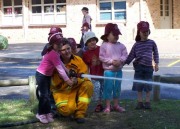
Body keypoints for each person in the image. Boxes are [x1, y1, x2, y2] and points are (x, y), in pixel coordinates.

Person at [50, 38, 94, 123]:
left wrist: (76, 80)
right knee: (67, 111)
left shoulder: (78, 60)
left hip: (75, 87)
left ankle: (80, 114)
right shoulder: (55, 63)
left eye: (68, 48)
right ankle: (62, 109)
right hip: (61, 91)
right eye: (63, 50)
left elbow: (85, 76)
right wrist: (68, 82)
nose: (67, 52)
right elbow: (54, 84)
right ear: (59, 51)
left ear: (71, 48)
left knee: (88, 85)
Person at [35, 33, 73, 124]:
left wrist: (67, 70)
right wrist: (67, 80)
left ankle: (47, 112)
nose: (60, 45)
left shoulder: (56, 52)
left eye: (61, 43)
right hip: (41, 75)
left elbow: (60, 63)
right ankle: (40, 113)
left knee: (48, 94)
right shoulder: (52, 54)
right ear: (52, 44)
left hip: (47, 75)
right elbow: (59, 69)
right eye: (58, 44)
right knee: (44, 95)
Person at [125, 21, 159, 110]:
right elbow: (131, 55)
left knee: (148, 85)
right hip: (139, 68)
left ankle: (147, 102)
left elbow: (156, 53)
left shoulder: (152, 43)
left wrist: (156, 63)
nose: (145, 33)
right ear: (139, 32)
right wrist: (123, 63)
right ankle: (140, 102)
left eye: (146, 31)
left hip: (149, 68)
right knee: (139, 85)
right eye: (143, 31)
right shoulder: (136, 45)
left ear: (149, 32)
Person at [99, 23, 128, 113]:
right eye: (114, 34)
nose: (116, 36)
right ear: (107, 36)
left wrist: (120, 61)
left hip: (118, 71)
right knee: (108, 88)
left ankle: (116, 105)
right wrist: (112, 62)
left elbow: (125, 55)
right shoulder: (104, 46)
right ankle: (108, 106)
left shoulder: (121, 46)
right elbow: (102, 57)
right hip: (108, 72)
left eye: (117, 34)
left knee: (117, 88)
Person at [82, 31, 104, 112]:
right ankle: (98, 104)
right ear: (86, 43)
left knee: (102, 89)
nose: (92, 42)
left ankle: (101, 103)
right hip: (94, 75)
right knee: (96, 88)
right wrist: (87, 75)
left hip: (103, 74)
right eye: (90, 41)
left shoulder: (101, 49)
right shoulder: (86, 54)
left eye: (93, 40)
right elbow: (86, 66)